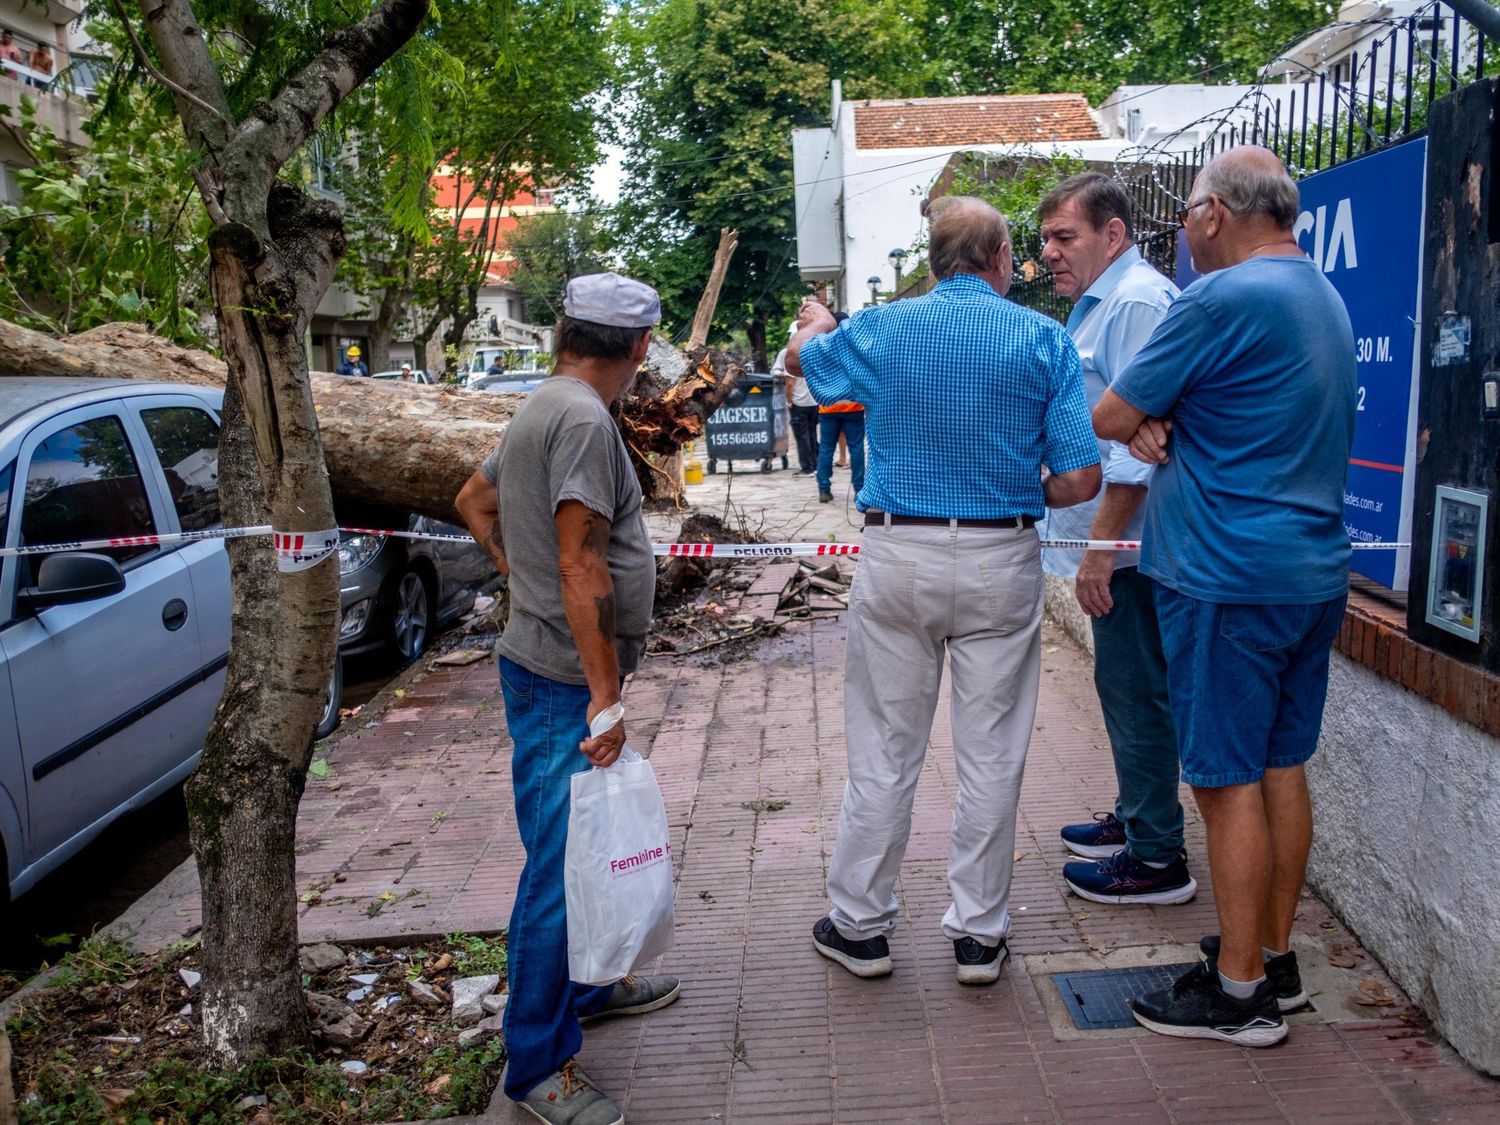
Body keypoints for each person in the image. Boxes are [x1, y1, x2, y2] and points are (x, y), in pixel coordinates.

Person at [788, 196, 1101, 986]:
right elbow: (1082, 476)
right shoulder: (1042, 338)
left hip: (899, 550)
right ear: (1001, 260)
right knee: (992, 753)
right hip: (1001, 554)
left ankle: (860, 924)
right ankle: (979, 934)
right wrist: (1017, 487)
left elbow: (802, 366)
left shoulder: (886, 329)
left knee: (885, 750)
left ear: (933, 263)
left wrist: (815, 322)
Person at [1094, 147, 1356, 1047]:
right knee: (1281, 768)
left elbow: (1109, 415)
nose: (1187, 238)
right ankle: (1272, 956)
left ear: (1212, 214)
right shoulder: (1321, 294)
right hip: (1310, 574)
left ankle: (1238, 994)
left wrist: (1157, 415)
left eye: (1188, 219)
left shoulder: (1219, 297)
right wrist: (1174, 415)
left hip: (1225, 578)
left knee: (1222, 782)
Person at [455, 272, 681, 1125]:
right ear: (636, 347)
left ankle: (583, 992)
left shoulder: (543, 403)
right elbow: (584, 561)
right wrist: (604, 698)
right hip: (560, 681)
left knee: (574, 852)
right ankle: (539, 1063)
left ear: (561, 332)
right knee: (555, 867)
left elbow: (473, 500)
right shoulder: (582, 417)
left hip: (543, 662)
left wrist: (523, 578)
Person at [1036, 173, 1193, 907]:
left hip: (1127, 546)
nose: (1050, 255)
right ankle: (1139, 818)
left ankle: (1158, 855)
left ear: (1114, 234)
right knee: (1124, 685)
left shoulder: (1134, 303)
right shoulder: (1103, 304)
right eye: (1043, 241)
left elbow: (1137, 450)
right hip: (1110, 541)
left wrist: (1100, 550)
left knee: (1137, 692)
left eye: (1064, 238)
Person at [814, 308, 864, 503]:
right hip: (853, 407)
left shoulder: (825, 346)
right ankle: (860, 490)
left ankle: (824, 489)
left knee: (826, 448)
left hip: (828, 407)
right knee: (857, 448)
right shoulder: (855, 346)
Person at [773, 325, 819, 475]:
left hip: (799, 402)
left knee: (802, 436)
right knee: (812, 434)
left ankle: (807, 467)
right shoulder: (813, 352)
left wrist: (789, 401)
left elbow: (790, 383)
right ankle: (816, 464)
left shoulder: (791, 355)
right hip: (814, 401)